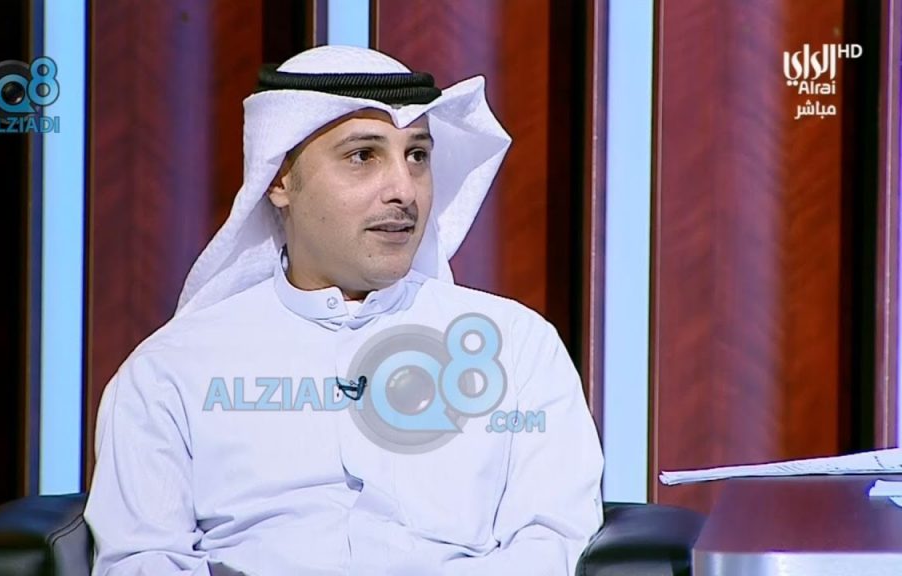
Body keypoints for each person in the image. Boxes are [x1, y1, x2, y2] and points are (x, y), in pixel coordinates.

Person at [84, 45, 603, 576]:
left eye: (417, 156)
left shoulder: (517, 348)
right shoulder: (170, 369)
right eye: (363, 156)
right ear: (279, 180)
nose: (403, 190)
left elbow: (552, 542)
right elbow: (141, 560)